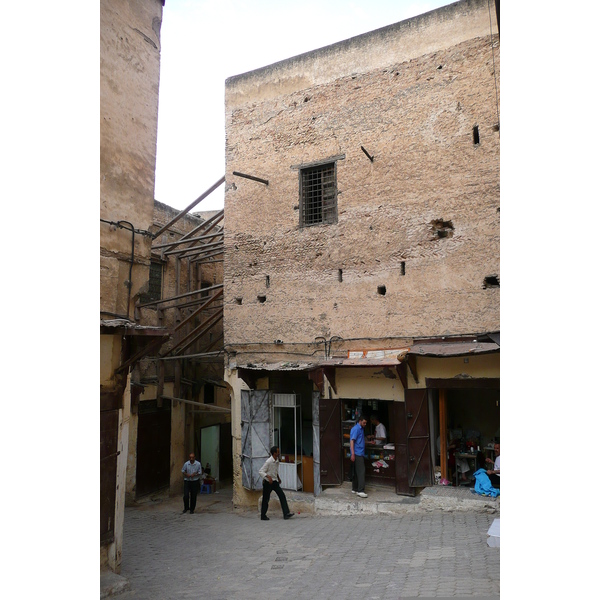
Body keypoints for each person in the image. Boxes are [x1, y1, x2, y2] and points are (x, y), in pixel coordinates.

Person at [259, 446, 294, 521]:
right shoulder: (268, 461)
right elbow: (261, 471)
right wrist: (268, 476)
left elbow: (274, 470)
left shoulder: (277, 460)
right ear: (274, 453)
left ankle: (286, 513)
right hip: (268, 483)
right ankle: (263, 515)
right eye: (278, 452)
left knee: (282, 496)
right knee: (266, 499)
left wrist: (278, 477)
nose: (279, 453)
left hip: (275, 482)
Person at [350, 416, 368, 498]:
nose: (365, 424)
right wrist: (353, 453)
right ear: (360, 421)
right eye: (364, 422)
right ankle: (360, 490)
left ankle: (355, 488)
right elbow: (352, 441)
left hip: (359, 452)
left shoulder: (361, 428)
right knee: (361, 472)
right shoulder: (356, 429)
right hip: (357, 453)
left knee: (357, 471)